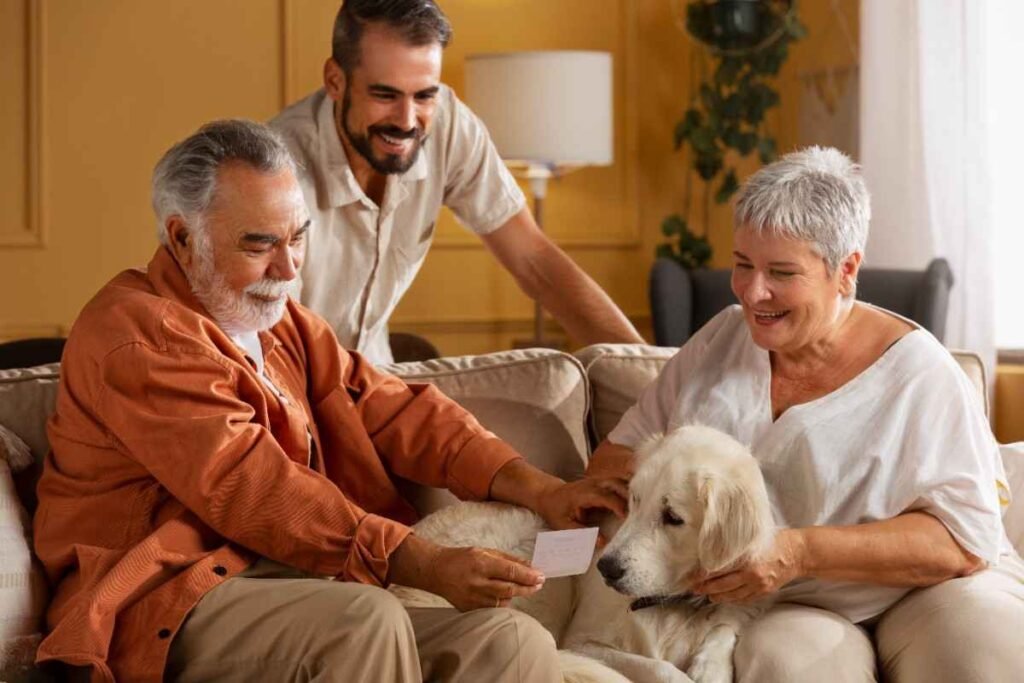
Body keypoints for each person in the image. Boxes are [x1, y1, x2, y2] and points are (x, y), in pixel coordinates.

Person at [33, 119, 627, 683]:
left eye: (298, 238)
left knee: (506, 639)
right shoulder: (138, 334)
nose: (288, 268)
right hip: (163, 593)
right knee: (366, 621)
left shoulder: (279, 321)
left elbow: (394, 408)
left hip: (285, 577)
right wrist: (417, 561)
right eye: (260, 244)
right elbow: (250, 484)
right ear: (183, 238)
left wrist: (543, 490)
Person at [587, 146, 1024, 682]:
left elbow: (964, 540)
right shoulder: (721, 338)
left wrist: (798, 551)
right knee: (789, 666)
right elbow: (617, 459)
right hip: (777, 605)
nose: (753, 291)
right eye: (742, 264)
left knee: (977, 653)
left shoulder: (922, 375)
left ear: (846, 270)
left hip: (926, 591)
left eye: (781, 272)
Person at [269, 0, 644, 364]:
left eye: (424, 96)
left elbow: (535, 261)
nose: (406, 120)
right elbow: (275, 347)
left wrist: (651, 375)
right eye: (385, 95)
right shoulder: (277, 174)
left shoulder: (448, 125)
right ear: (335, 81)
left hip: (379, 380)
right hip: (291, 390)